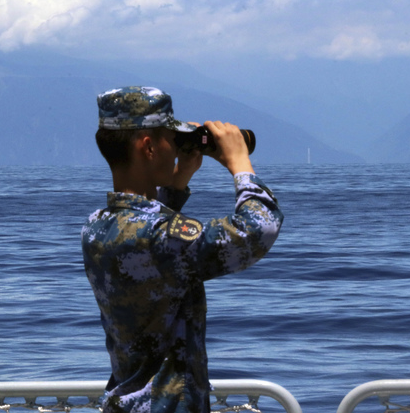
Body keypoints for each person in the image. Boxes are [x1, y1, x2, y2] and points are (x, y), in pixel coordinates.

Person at [82, 86, 283, 413]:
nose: (175, 149)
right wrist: (240, 164)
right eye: (169, 139)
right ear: (148, 147)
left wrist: (177, 181)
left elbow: (146, 239)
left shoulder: (96, 226)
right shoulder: (158, 238)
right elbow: (258, 230)